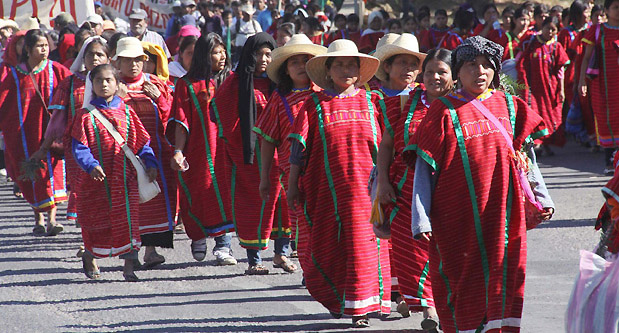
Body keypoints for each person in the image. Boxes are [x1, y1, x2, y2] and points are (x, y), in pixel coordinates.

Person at [407, 36, 554, 333]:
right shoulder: (443, 111)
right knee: (463, 278)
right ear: (458, 71)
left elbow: (526, 156)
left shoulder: (511, 106)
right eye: (472, 65)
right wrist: (420, 219)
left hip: (504, 212)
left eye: (487, 65)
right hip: (457, 217)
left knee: (506, 275)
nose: (480, 71)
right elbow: (424, 169)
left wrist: (542, 195)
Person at [287, 39, 391, 328]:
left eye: (351, 64)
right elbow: (298, 150)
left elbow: (388, 146)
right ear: (328, 70)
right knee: (329, 246)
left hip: (368, 191)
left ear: (359, 70)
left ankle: (360, 308)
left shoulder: (374, 102)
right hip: (326, 192)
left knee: (364, 245)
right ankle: (338, 298)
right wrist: (292, 186)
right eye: (339, 64)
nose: (346, 69)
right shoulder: (314, 105)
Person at [374, 35, 445, 329]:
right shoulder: (401, 103)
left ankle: (423, 297)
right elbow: (387, 145)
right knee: (411, 246)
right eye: (428, 71)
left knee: (441, 248)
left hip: (447, 188)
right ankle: (428, 307)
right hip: (405, 186)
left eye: (413, 64)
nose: (431, 76)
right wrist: (382, 184)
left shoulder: (455, 104)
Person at [70, 63, 157, 281]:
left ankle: (128, 268)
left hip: (124, 180)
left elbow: (142, 142)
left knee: (128, 221)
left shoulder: (127, 112)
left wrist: (151, 162)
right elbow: (78, 147)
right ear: (92, 84)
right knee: (97, 222)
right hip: (96, 182)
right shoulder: (85, 116)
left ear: (117, 84)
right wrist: (91, 165)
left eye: (109, 80)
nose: (104, 84)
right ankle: (90, 255)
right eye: (99, 80)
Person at [253, 34, 326, 273]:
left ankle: (324, 271)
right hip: (294, 176)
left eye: (307, 60)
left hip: (326, 171)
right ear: (285, 70)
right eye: (295, 62)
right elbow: (267, 140)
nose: (302, 65)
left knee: (325, 224)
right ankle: (311, 272)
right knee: (303, 226)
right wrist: (264, 178)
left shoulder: (324, 95)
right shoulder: (279, 99)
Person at [211, 32, 280, 275]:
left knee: (281, 204)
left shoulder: (280, 82)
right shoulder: (236, 82)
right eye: (258, 54)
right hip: (249, 156)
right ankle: (255, 260)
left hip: (278, 156)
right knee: (253, 205)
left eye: (269, 54)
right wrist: (241, 144)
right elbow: (219, 112)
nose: (264, 59)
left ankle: (280, 253)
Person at [167, 32, 237, 265]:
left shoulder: (232, 80)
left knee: (226, 193)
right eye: (215, 52)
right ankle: (197, 236)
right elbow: (180, 120)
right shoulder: (186, 85)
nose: (222, 56)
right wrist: (178, 150)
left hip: (226, 149)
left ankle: (223, 245)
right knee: (198, 193)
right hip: (198, 150)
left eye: (223, 51)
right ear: (203, 56)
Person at [0, 29, 71, 236]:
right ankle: (38, 218)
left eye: (46, 45)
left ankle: (52, 219)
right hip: (22, 135)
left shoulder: (57, 71)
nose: (44, 49)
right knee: (31, 174)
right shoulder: (11, 74)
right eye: (40, 46)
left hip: (51, 134)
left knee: (52, 173)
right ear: (28, 49)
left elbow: (73, 94)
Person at [32, 36, 110, 226]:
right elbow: (57, 120)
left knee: (109, 189)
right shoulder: (70, 83)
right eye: (90, 54)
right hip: (78, 145)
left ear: (108, 58)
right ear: (82, 58)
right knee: (83, 189)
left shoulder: (114, 82)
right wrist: (45, 146)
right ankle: (88, 240)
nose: (95, 58)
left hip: (109, 146)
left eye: (100, 54)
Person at [114, 37, 176, 268]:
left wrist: (159, 99)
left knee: (156, 201)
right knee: (131, 204)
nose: (134, 65)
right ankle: (132, 253)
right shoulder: (111, 85)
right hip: (124, 156)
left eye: (138, 60)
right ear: (118, 62)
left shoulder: (158, 84)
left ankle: (151, 250)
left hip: (156, 154)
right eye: (128, 60)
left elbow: (172, 118)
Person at [517, 17, 570, 153]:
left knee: (550, 116)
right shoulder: (532, 42)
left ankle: (546, 142)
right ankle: (537, 143)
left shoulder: (556, 46)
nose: (550, 32)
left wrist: (561, 90)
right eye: (548, 28)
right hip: (533, 88)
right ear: (542, 27)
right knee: (534, 113)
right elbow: (521, 62)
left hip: (550, 88)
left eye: (554, 29)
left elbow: (560, 71)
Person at [579, 0, 619, 171]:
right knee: (606, 119)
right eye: (616, 7)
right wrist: (581, 81)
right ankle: (609, 159)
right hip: (603, 85)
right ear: (606, 10)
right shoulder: (597, 31)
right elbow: (586, 58)